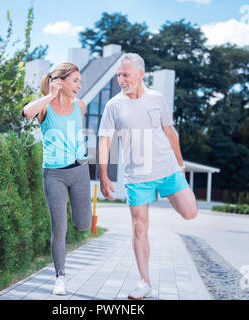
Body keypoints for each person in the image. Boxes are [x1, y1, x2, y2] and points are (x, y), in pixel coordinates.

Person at [98, 53, 198, 300]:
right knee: (139, 226)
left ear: (140, 73)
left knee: (190, 212)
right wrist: (103, 175)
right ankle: (145, 282)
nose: (122, 79)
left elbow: (170, 132)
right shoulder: (113, 105)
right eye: (119, 75)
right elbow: (104, 141)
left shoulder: (157, 99)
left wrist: (181, 164)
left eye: (126, 74)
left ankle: (171, 194)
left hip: (167, 169)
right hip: (136, 176)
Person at [23, 63, 92, 295]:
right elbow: (26, 112)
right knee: (59, 228)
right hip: (54, 175)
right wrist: (50, 95)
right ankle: (60, 276)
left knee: (83, 224)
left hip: (80, 171)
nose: (79, 85)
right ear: (60, 81)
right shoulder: (45, 108)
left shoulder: (79, 106)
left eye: (79, 81)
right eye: (75, 81)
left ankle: (77, 212)